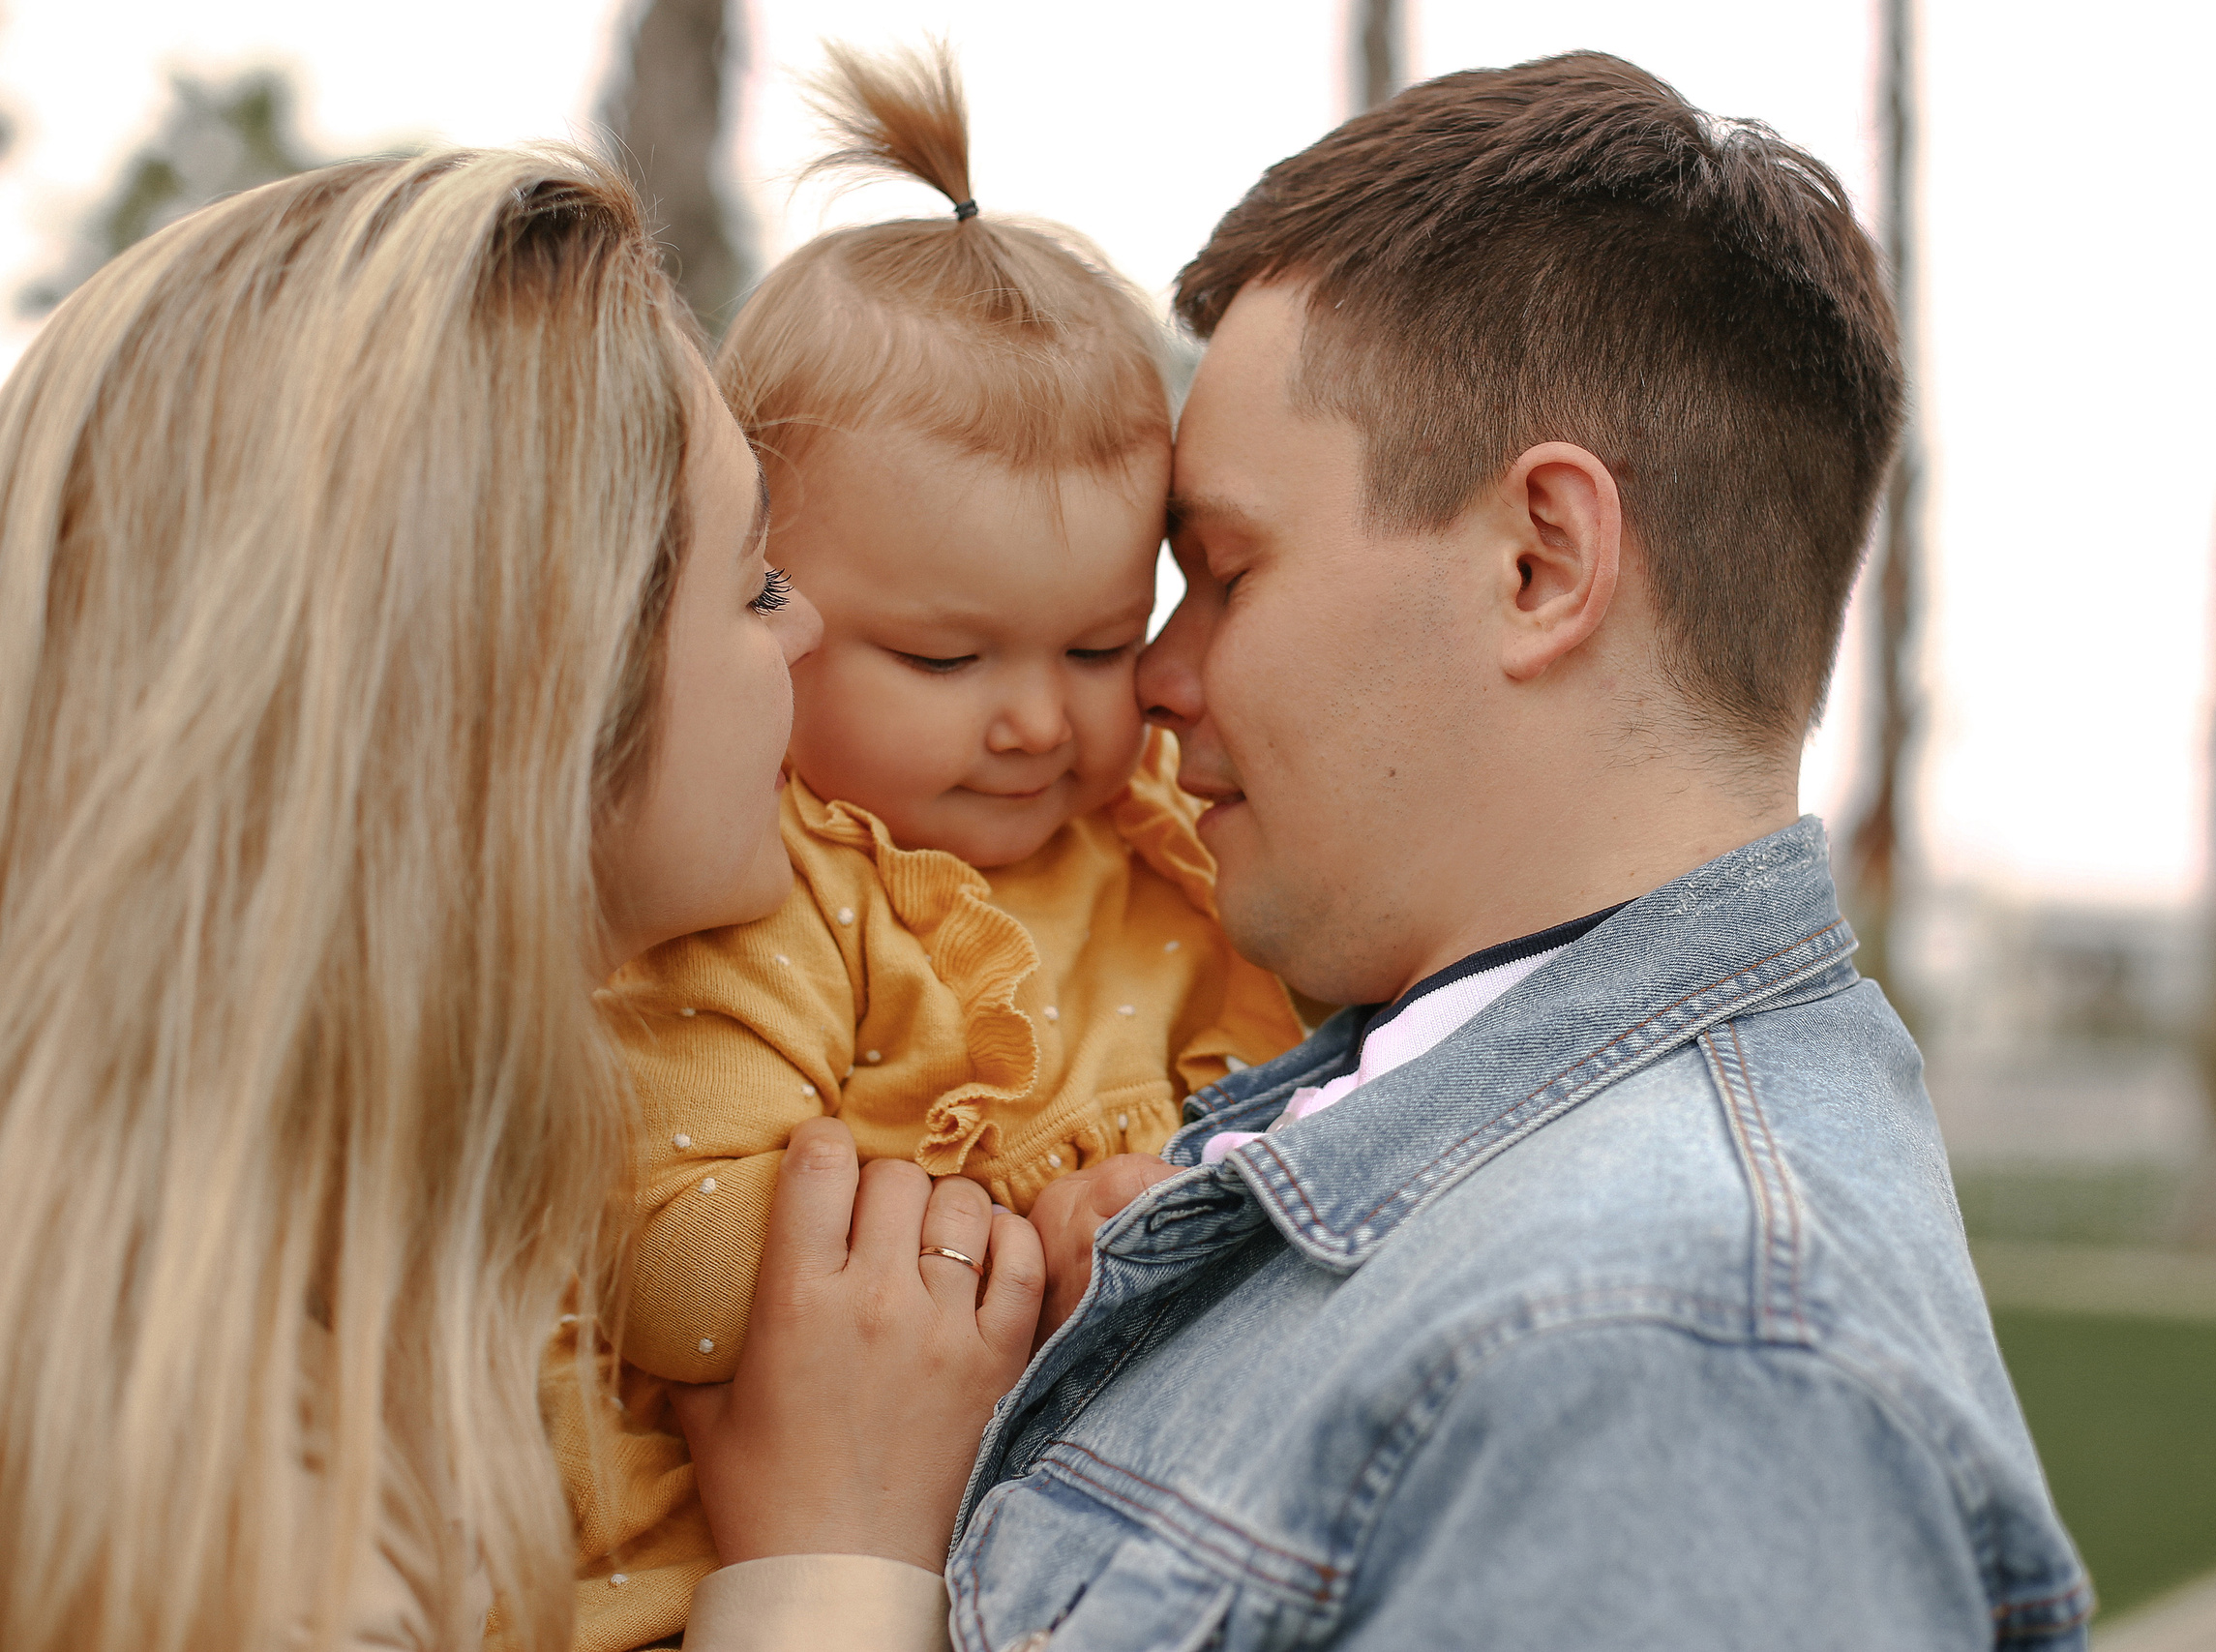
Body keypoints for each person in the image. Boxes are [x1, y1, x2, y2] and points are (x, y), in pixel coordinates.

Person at [699, 51, 2093, 1650]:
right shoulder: (1462, 1171)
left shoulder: (1667, 1362)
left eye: (1224, 569)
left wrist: (833, 1572)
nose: (1153, 679)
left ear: (1538, 563)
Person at [0, 148, 1033, 1652]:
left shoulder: (309, 1304)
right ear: (530, 703)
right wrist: (834, 1551)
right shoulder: (263, 1548)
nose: (805, 629)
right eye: (752, 586)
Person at [553, 46, 1300, 1652]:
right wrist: (1036, 1254)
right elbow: (672, 1272)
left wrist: (1175, 1197)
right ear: (773, 589)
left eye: (1099, 649)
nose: (1037, 722)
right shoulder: (770, 893)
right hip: (715, 1581)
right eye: (949, 664)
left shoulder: (1153, 856)